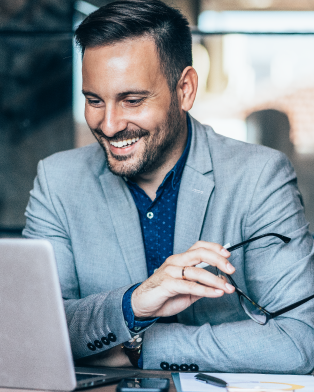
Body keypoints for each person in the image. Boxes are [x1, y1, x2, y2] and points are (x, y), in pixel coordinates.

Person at [23, 0, 314, 373]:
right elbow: (34, 330)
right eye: (94, 100)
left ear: (185, 90)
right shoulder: (57, 180)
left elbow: (300, 340)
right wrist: (133, 304)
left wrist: (142, 346)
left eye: (132, 100)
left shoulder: (260, 177)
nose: (109, 125)